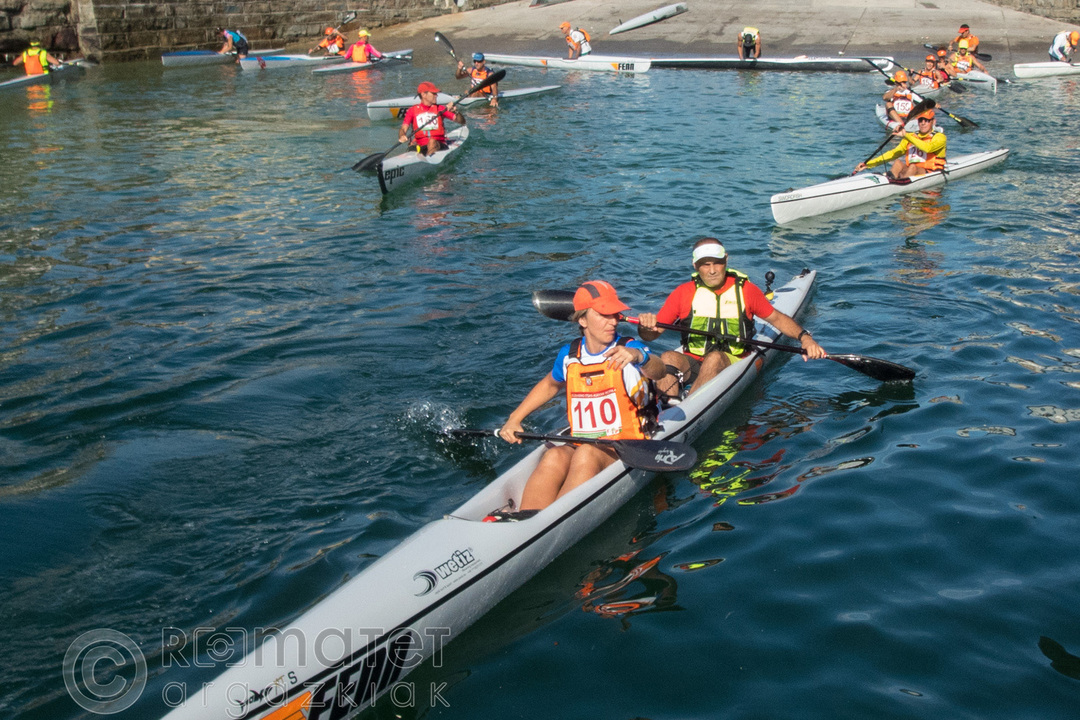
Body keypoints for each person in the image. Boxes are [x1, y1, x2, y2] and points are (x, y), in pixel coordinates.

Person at [497, 280, 665, 513]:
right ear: (582, 320)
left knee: (586, 453)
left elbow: (659, 370)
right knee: (553, 456)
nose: (613, 321)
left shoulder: (629, 348)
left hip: (629, 444)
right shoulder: (570, 355)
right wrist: (515, 419)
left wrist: (640, 357)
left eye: (615, 314)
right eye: (604, 315)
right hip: (585, 441)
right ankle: (527, 517)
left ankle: (551, 520)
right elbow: (550, 385)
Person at [637, 239, 826, 399]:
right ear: (695, 266)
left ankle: (686, 410)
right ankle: (666, 406)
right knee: (668, 356)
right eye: (705, 264)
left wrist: (805, 338)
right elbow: (650, 335)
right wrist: (645, 327)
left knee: (714, 358)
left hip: (733, 360)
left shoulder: (746, 291)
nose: (712, 270)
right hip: (693, 361)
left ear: (726, 260)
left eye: (717, 263)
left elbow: (777, 319)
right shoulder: (683, 293)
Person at [854, 106, 946, 181]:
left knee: (912, 167)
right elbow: (892, 154)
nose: (923, 123)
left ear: (933, 121)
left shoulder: (939, 137)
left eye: (927, 120)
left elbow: (928, 148)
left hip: (931, 172)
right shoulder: (911, 136)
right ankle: (890, 181)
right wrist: (869, 164)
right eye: (920, 120)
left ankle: (901, 185)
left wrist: (906, 135)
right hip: (911, 173)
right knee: (898, 162)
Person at [398, 81, 465, 156]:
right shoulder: (412, 110)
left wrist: (456, 112)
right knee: (412, 145)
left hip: (438, 144)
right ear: (424, 95)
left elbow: (462, 121)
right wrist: (402, 135)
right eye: (433, 93)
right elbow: (403, 129)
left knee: (432, 141)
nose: (436, 95)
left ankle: (429, 158)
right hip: (421, 145)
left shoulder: (440, 109)